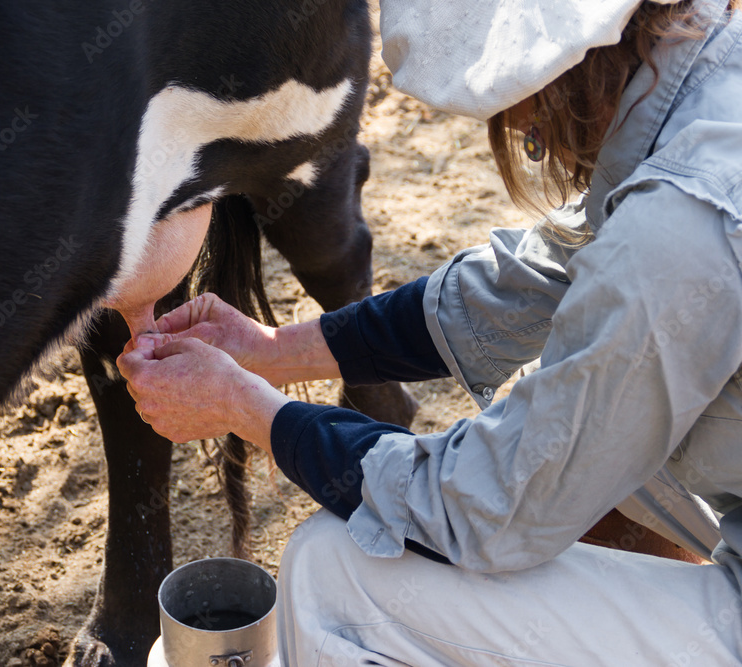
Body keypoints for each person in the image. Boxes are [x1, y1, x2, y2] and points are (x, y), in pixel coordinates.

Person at [118, 0, 742, 663]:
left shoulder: (678, 223)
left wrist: (252, 411)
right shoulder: (703, 90)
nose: (523, 131)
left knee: (333, 570)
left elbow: (492, 502)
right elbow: (527, 282)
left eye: (517, 113)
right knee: (593, 413)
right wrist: (273, 352)